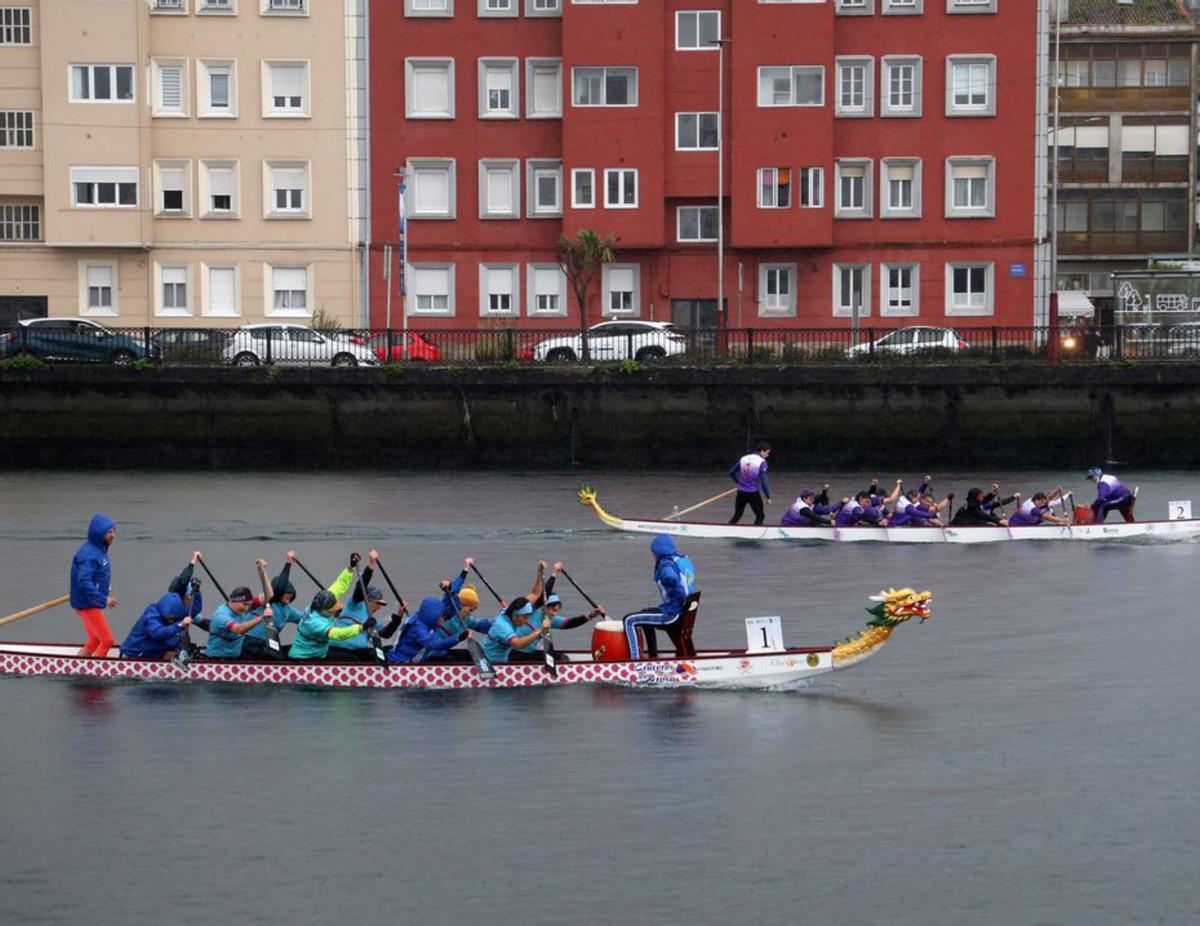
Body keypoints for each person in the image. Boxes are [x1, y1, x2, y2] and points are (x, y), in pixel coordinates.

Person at [623, 535, 698, 660]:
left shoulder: (665, 564)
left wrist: (671, 582)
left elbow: (671, 577)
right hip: (682, 611)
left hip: (672, 614)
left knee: (629, 620)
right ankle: (653, 657)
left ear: (658, 552)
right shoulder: (682, 560)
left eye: (653, 553)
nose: (653, 556)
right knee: (644, 614)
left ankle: (634, 662)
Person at [69, 513, 118, 658]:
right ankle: (94, 673)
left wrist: (104, 588)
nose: (113, 535)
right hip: (87, 604)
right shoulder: (89, 555)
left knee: (94, 641)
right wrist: (104, 599)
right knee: (107, 640)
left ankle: (77, 667)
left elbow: (95, 576)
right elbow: (84, 581)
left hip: (90, 601)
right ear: (99, 533)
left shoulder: (98, 550)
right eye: (109, 532)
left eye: (114, 531)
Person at [290, 590, 368, 661]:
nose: (333, 613)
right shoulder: (317, 624)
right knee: (351, 659)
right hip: (305, 658)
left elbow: (338, 586)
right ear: (324, 609)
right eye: (331, 612)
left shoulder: (318, 602)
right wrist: (360, 627)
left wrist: (348, 573)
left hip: (317, 653)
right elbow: (339, 634)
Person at [119, 593, 194, 661]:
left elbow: (193, 613)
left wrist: (194, 598)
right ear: (164, 613)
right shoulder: (150, 618)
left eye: (175, 618)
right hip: (134, 656)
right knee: (172, 651)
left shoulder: (171, 614)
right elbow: (158, 634)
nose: (172, 621)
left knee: (177, 649)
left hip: (153, 651)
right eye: (171, 618)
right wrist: (180, 625)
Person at [204, 586, 271, 659]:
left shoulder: (243, 607)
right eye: (244, 604)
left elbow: (269, 595)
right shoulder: (221, 615)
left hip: (234, 658)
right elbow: (239, 630)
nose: (246, 608)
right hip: (216, 660)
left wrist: (263, 575)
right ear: (233, 601)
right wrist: (262, 617)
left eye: (248, 605)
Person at [729, 441, 772, 525]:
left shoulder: (744, 458)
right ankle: (756, 533)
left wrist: (738, 482)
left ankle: (727, 529)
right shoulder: (762, 462)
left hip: (741, 492)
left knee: (738, 514)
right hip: (753, 493)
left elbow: (731, 472)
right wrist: (767, 497)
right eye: (767, 453)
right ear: (762, 451)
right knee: (760, 516)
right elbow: (764, 482)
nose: (768, 455)